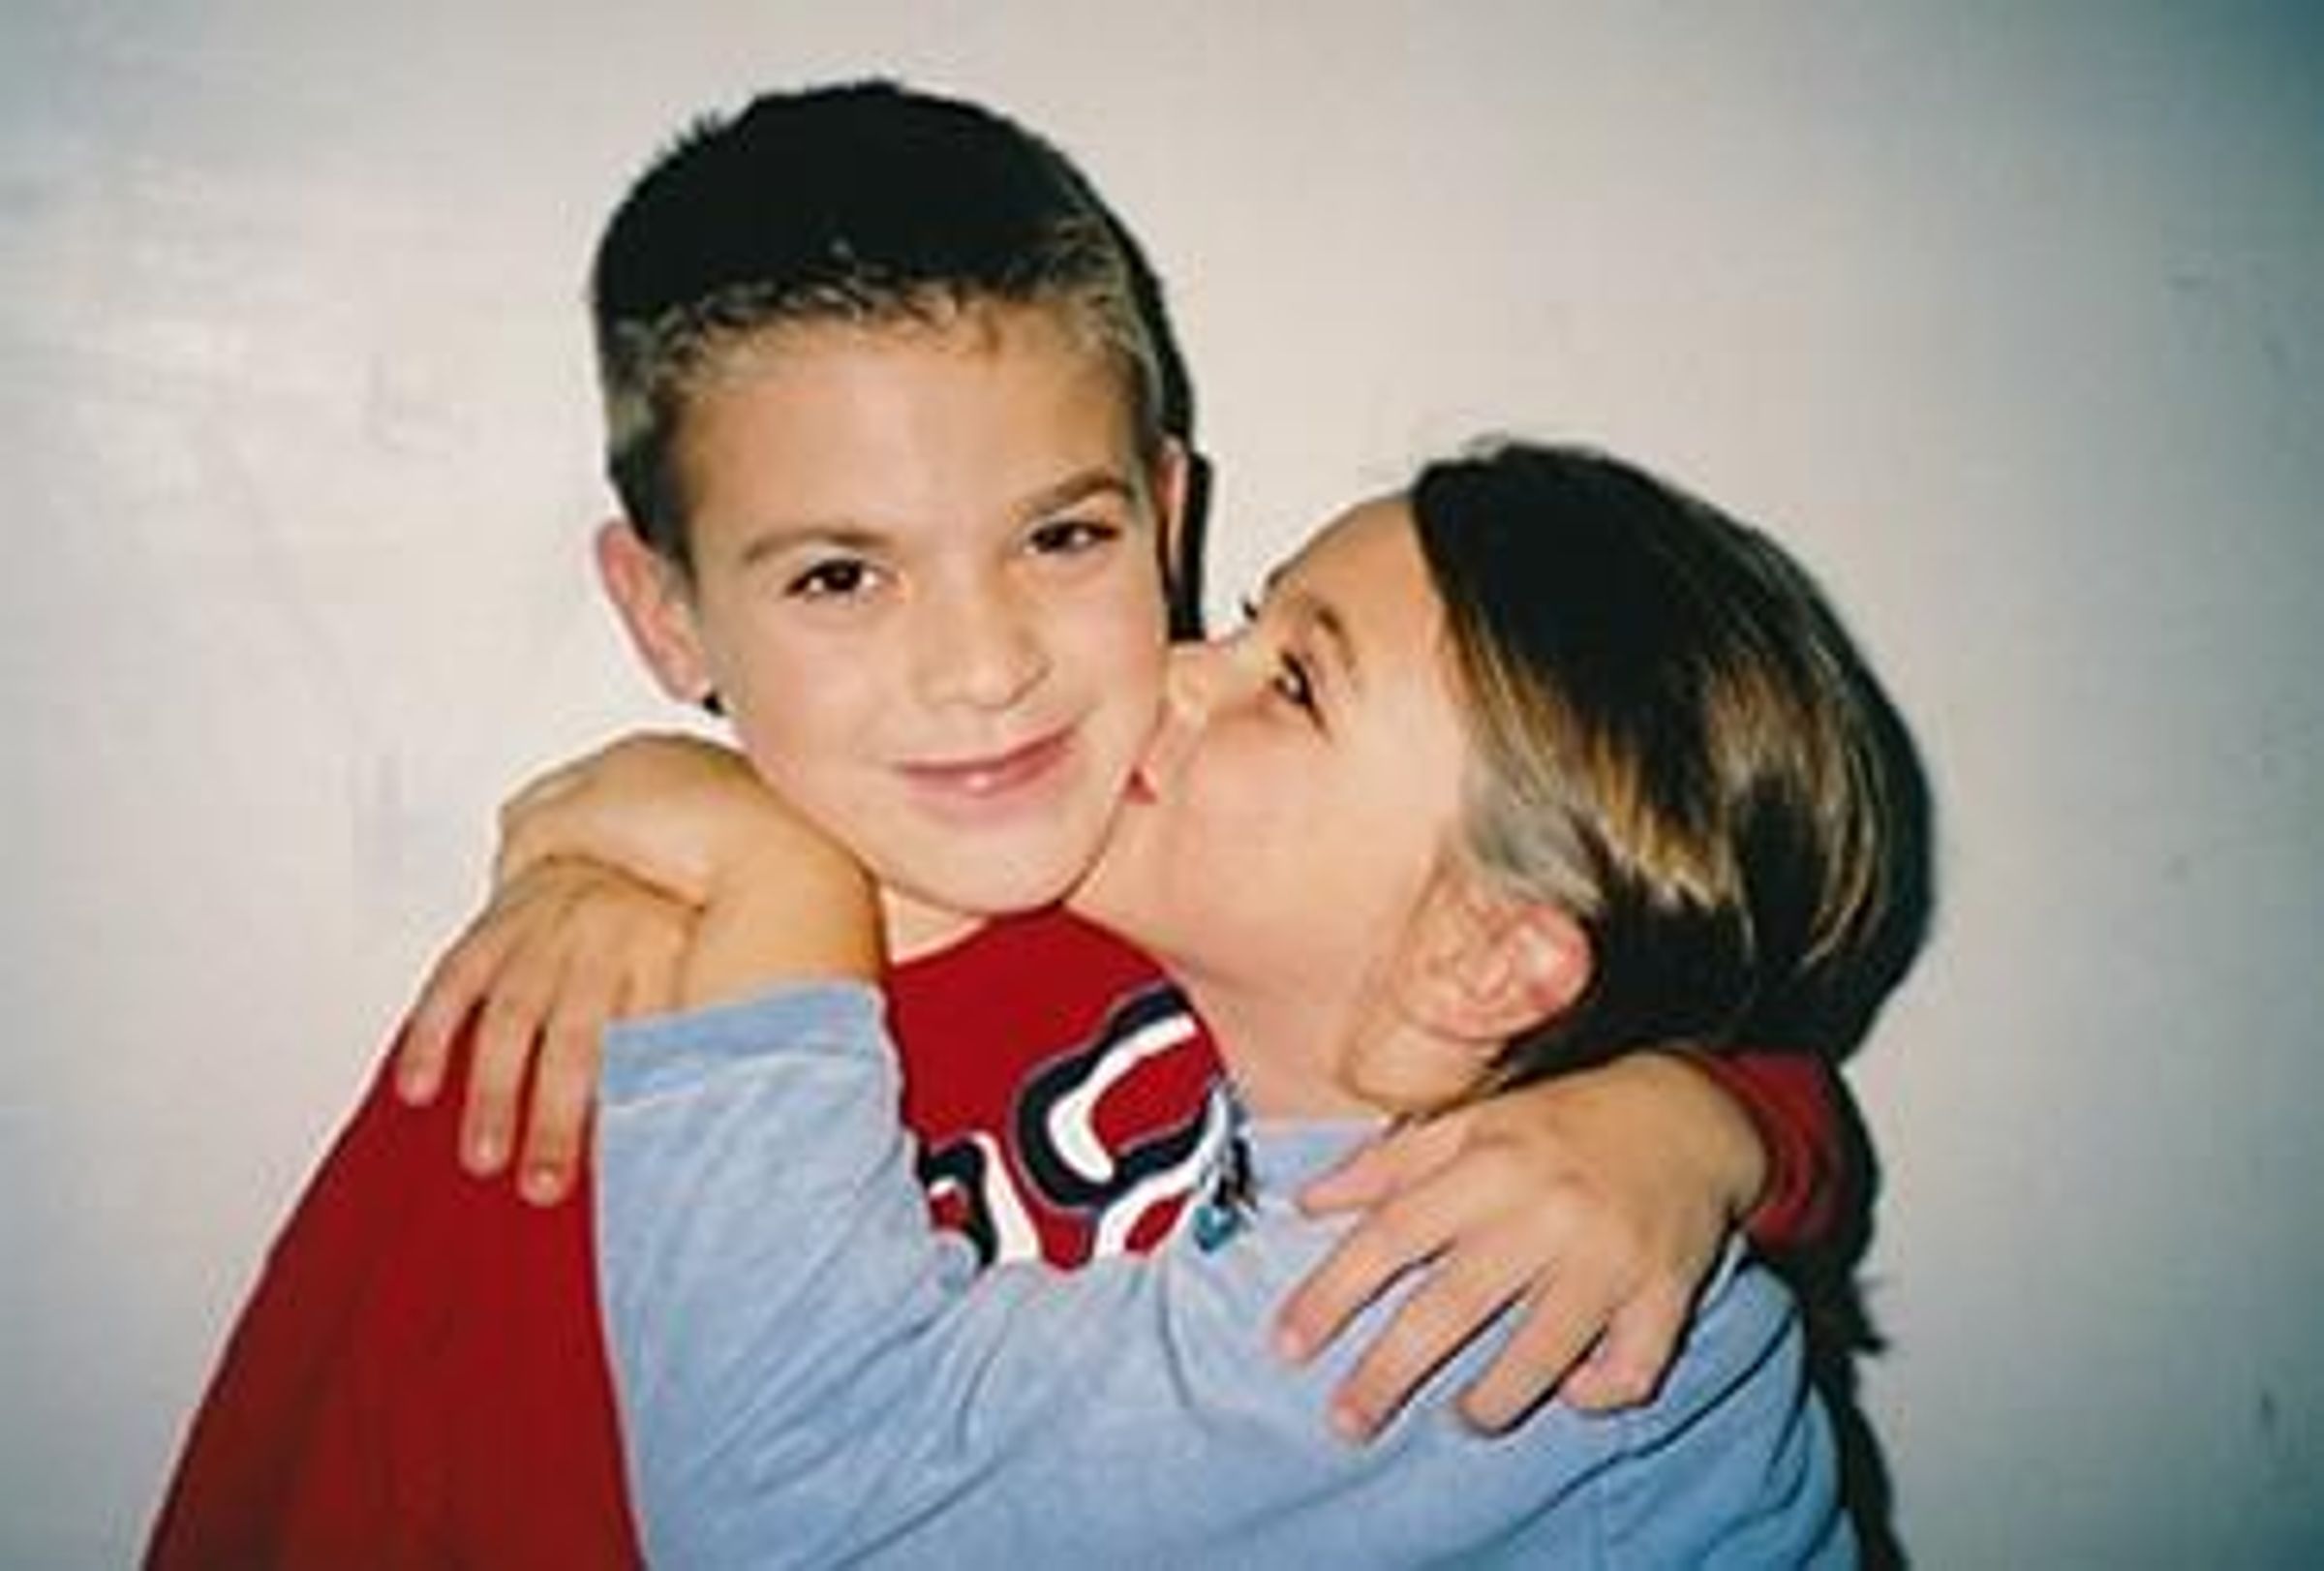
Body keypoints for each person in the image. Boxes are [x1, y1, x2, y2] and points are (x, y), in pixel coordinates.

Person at [148, 83, 1846, 1569]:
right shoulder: (577, 1029)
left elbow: (1660, 1040)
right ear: (667, 615)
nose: (983, 669)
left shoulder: (1239, 969)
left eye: (1061, 539)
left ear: (1162, 516)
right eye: (839, 572)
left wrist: (1695, 1127)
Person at [524, 440, 1925, 1565]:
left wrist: (767, 869)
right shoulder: (1269, 1119)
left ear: (1485, 959)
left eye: (1295, 682)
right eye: (1252, 621)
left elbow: (792, 1506)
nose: (1181, 671)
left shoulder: (1487, 1308)